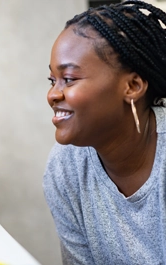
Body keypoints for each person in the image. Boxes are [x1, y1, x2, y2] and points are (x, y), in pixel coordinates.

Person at [43, 1, 166, 264]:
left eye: (70, 79)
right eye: (52, 80)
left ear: (132, 86)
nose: (53, 94)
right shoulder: (66, 167)